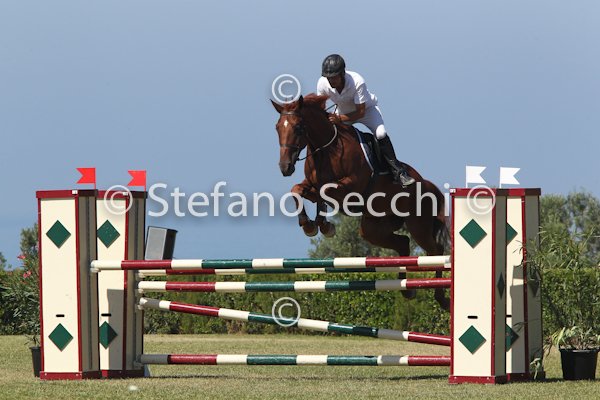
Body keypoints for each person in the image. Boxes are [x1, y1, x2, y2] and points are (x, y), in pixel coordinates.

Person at [316, 54, 415, 187]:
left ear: (342, 74)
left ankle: (399, 172)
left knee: (380, 134)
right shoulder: (322, 83)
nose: (331, 81)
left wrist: (339, 119)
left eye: (334, 77)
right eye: (328, 78)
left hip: (366, 112)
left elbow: (360, 112)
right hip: (342, 113)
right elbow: (321, 108)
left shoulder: (357, 81)